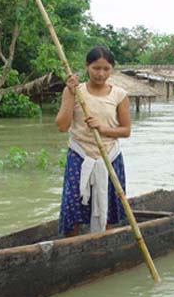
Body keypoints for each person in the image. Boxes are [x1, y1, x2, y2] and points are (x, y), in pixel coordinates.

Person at [55, 46, 130, 236]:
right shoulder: (75, 91)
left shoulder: (119, 95)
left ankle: (102, 240)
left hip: (108, 156)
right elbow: (62, 126)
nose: (101, 73)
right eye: (96, 68)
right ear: (87, 66)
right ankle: (70, 244)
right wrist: (71, 93)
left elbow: (126, 130)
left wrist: (103, 129)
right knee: (72, 205)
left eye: (106, 69)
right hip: (80, 154)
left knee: (106, 205)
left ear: (112, 69)